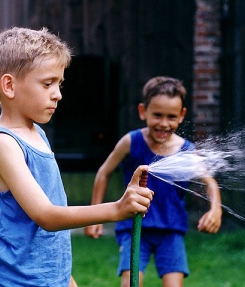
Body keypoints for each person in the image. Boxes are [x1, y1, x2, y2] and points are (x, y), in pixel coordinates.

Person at [0, 27, 154, 287]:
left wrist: (65, 278)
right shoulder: (2, 143)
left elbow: (46, 230)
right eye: (47, 84)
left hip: (44, 278)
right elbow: (47, 216)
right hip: (9, 280)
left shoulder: (38, 134)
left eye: (59, 84)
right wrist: (117, 208)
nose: (58, 93)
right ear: (9, 85)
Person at [84, 76, 222, 287]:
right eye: (157, 115)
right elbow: (104, 172)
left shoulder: (186, 150)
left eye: (171, 116)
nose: (164, 123)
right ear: (143, 111)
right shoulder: (132, 141)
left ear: (182, 115)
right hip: (134, 226)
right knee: (131, 283)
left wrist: (215, 210)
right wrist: (94, 215)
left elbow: (210, 182)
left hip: (170, 229)